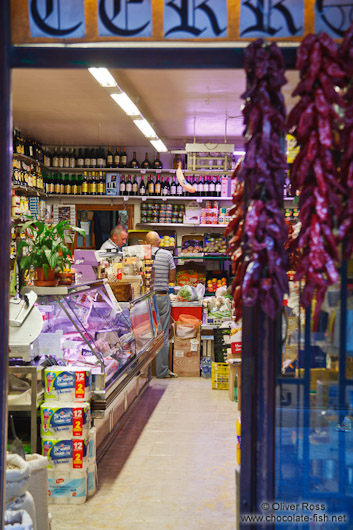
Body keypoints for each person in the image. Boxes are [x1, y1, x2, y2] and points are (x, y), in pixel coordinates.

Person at [145, 231, 178, 379]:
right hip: (162, 296)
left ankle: (143, 371)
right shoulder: (167, 255)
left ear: (146, 243)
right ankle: (161, 371)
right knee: (162, 334)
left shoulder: (140, 254)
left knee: (144, 334)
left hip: (144, 299)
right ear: (159, 242)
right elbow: (172, 278)